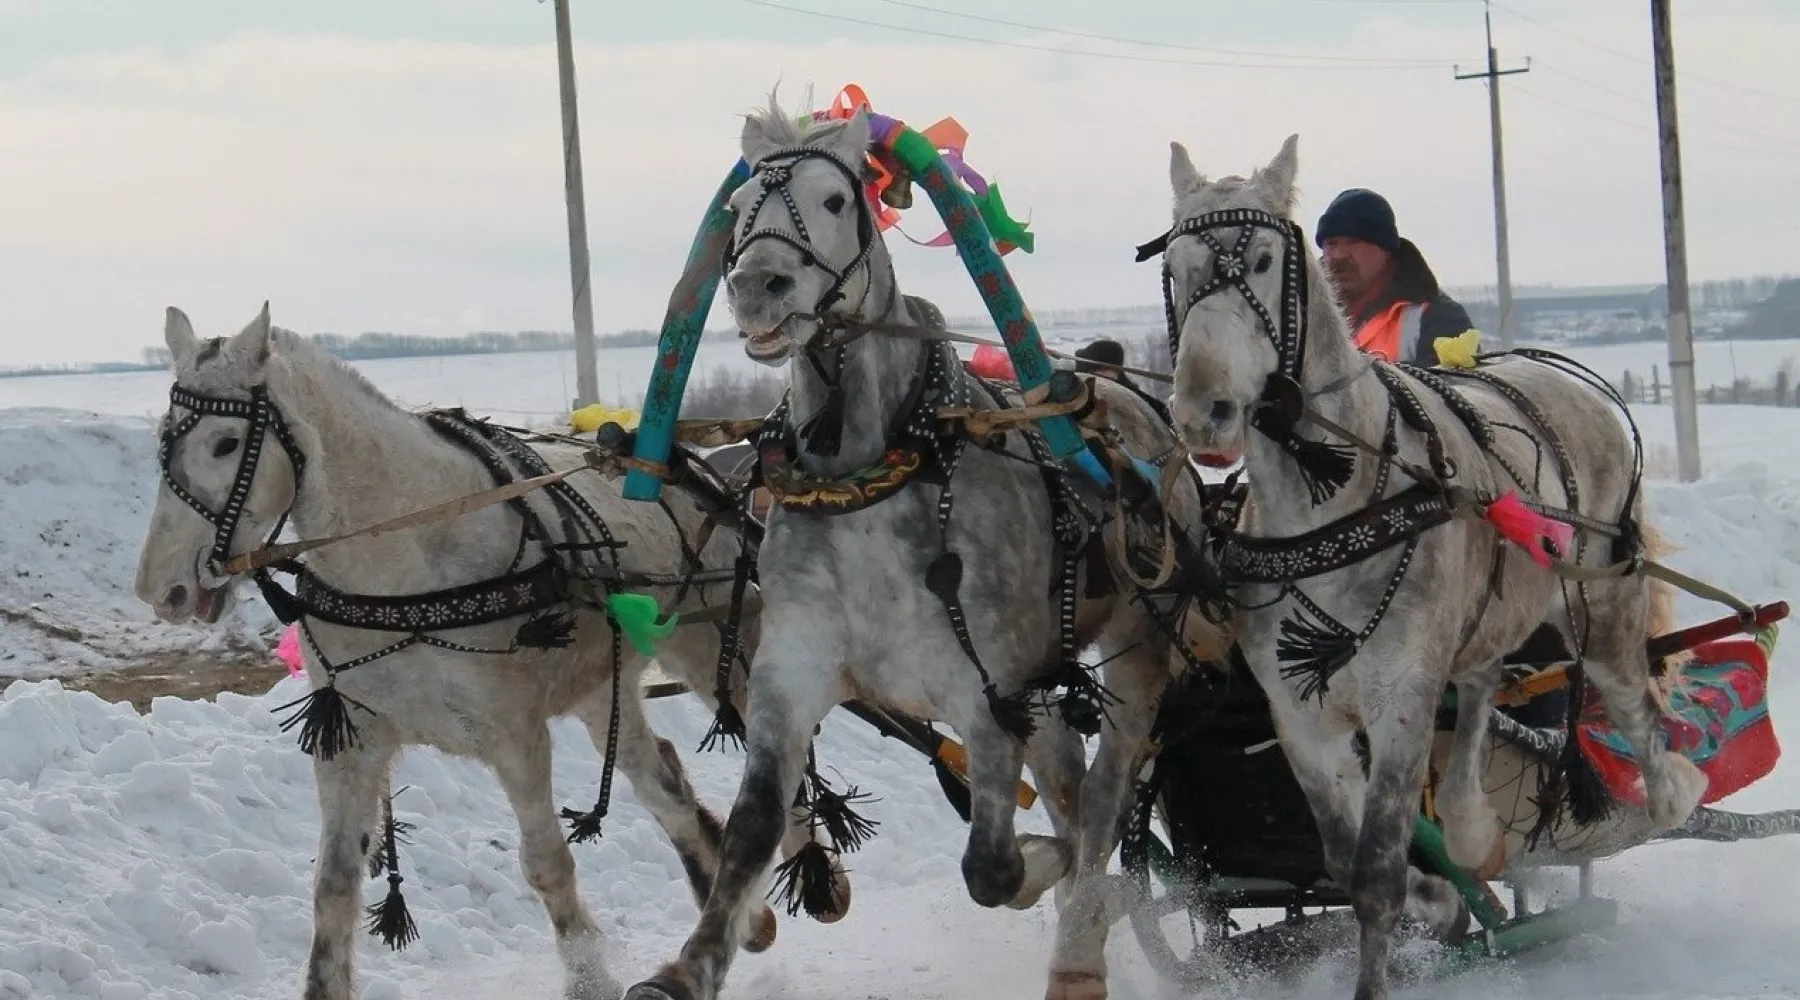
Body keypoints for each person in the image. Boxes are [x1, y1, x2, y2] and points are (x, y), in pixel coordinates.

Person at [1315, 188, 1478, 367]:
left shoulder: (1438, 319)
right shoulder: (1305, 319)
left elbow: (1457, 390)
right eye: (1331, 244)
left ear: (1385, 251)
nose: (1339, 255)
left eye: (1354, 242)